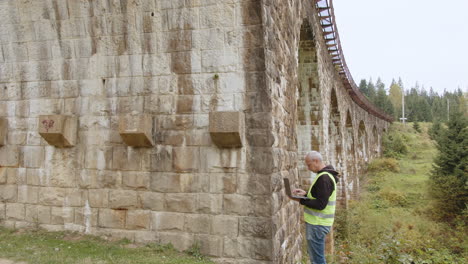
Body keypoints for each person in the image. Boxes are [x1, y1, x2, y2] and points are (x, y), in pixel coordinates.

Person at [289, 151, 339, 264]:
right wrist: (305, 194)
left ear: (316, 161)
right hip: (319, 223)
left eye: (309, 164)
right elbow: (320, 196)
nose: (308, 168)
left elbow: (321, 204)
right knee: (316, 258)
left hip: (318, 223)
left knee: (317, 259)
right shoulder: (324, 175)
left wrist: (300, 200)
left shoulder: (324, 178)